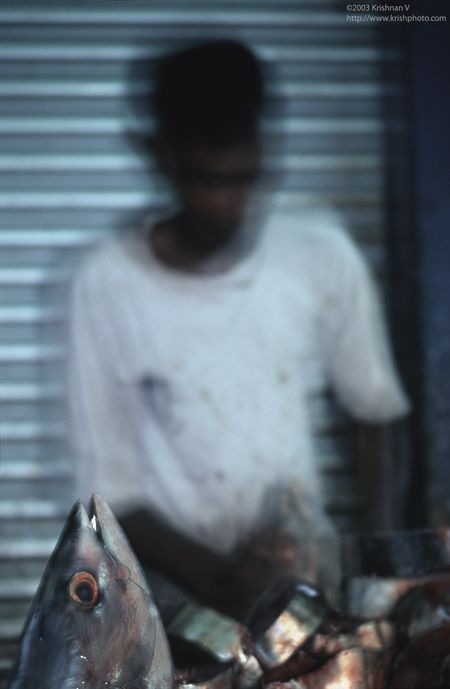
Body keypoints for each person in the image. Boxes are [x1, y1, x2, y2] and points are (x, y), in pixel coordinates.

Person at [67, 40, 410, 617]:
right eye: (208, 181)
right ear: (160, 156)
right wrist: (229, 583)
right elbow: (111, 491)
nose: (229, 205)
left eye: (245, 179)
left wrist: (374, 560)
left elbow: (376, 412)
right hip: (181, 612)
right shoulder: (108, 284)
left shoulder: (319, 255)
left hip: (308, 588)